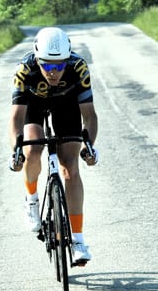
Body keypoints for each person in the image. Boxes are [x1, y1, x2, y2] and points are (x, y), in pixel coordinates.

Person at [8, 27, 99, 265]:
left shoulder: (78, 67)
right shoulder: (24, 69)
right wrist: (16, 152)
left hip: (66, 105)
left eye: (59, 65)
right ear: (37, 59)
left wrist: (89, 147)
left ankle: (78, 240)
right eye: (47, 65)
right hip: (34, 105)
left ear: (67, 60)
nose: (54, 71)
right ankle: (31, 200)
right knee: (32, 150)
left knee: (70, 167)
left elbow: (89, 116)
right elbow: (16, 118)